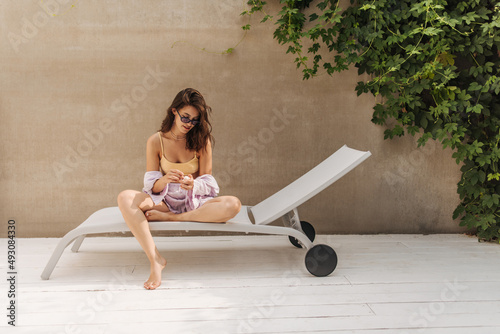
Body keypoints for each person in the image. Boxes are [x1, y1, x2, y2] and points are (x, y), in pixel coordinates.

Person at [117, 88, 241, 290]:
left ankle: (173, 218)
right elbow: (151, 186)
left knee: (233, 205)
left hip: (194, 203)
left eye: (194, 120)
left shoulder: (203, 140)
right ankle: (155, 259)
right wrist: (165, 179)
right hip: (164, 202)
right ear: (174, 111)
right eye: (185, 117)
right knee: (124, 197)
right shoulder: (156, 141)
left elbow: (209, 183)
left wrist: (194, 184)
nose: (189, 124)